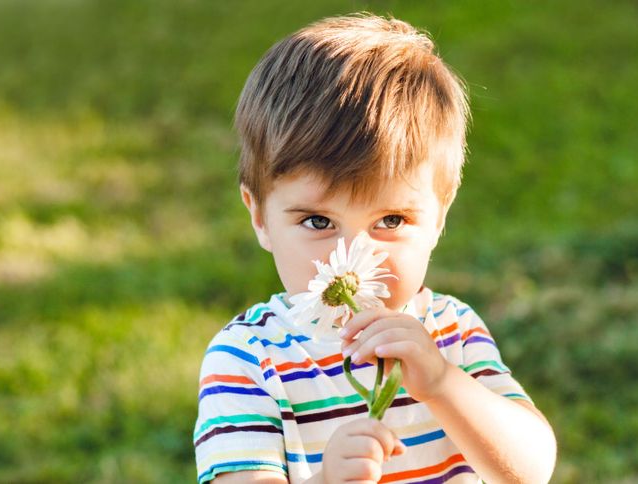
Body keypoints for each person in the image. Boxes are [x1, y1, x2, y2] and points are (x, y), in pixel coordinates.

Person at [194, 12, 557, 484]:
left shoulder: (452, 333)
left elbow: (531, 469)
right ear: (259, 215)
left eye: (391, 220)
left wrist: (444, 384)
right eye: (318, 221)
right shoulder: (248, 358)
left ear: (439, 216)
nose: (354, 257)